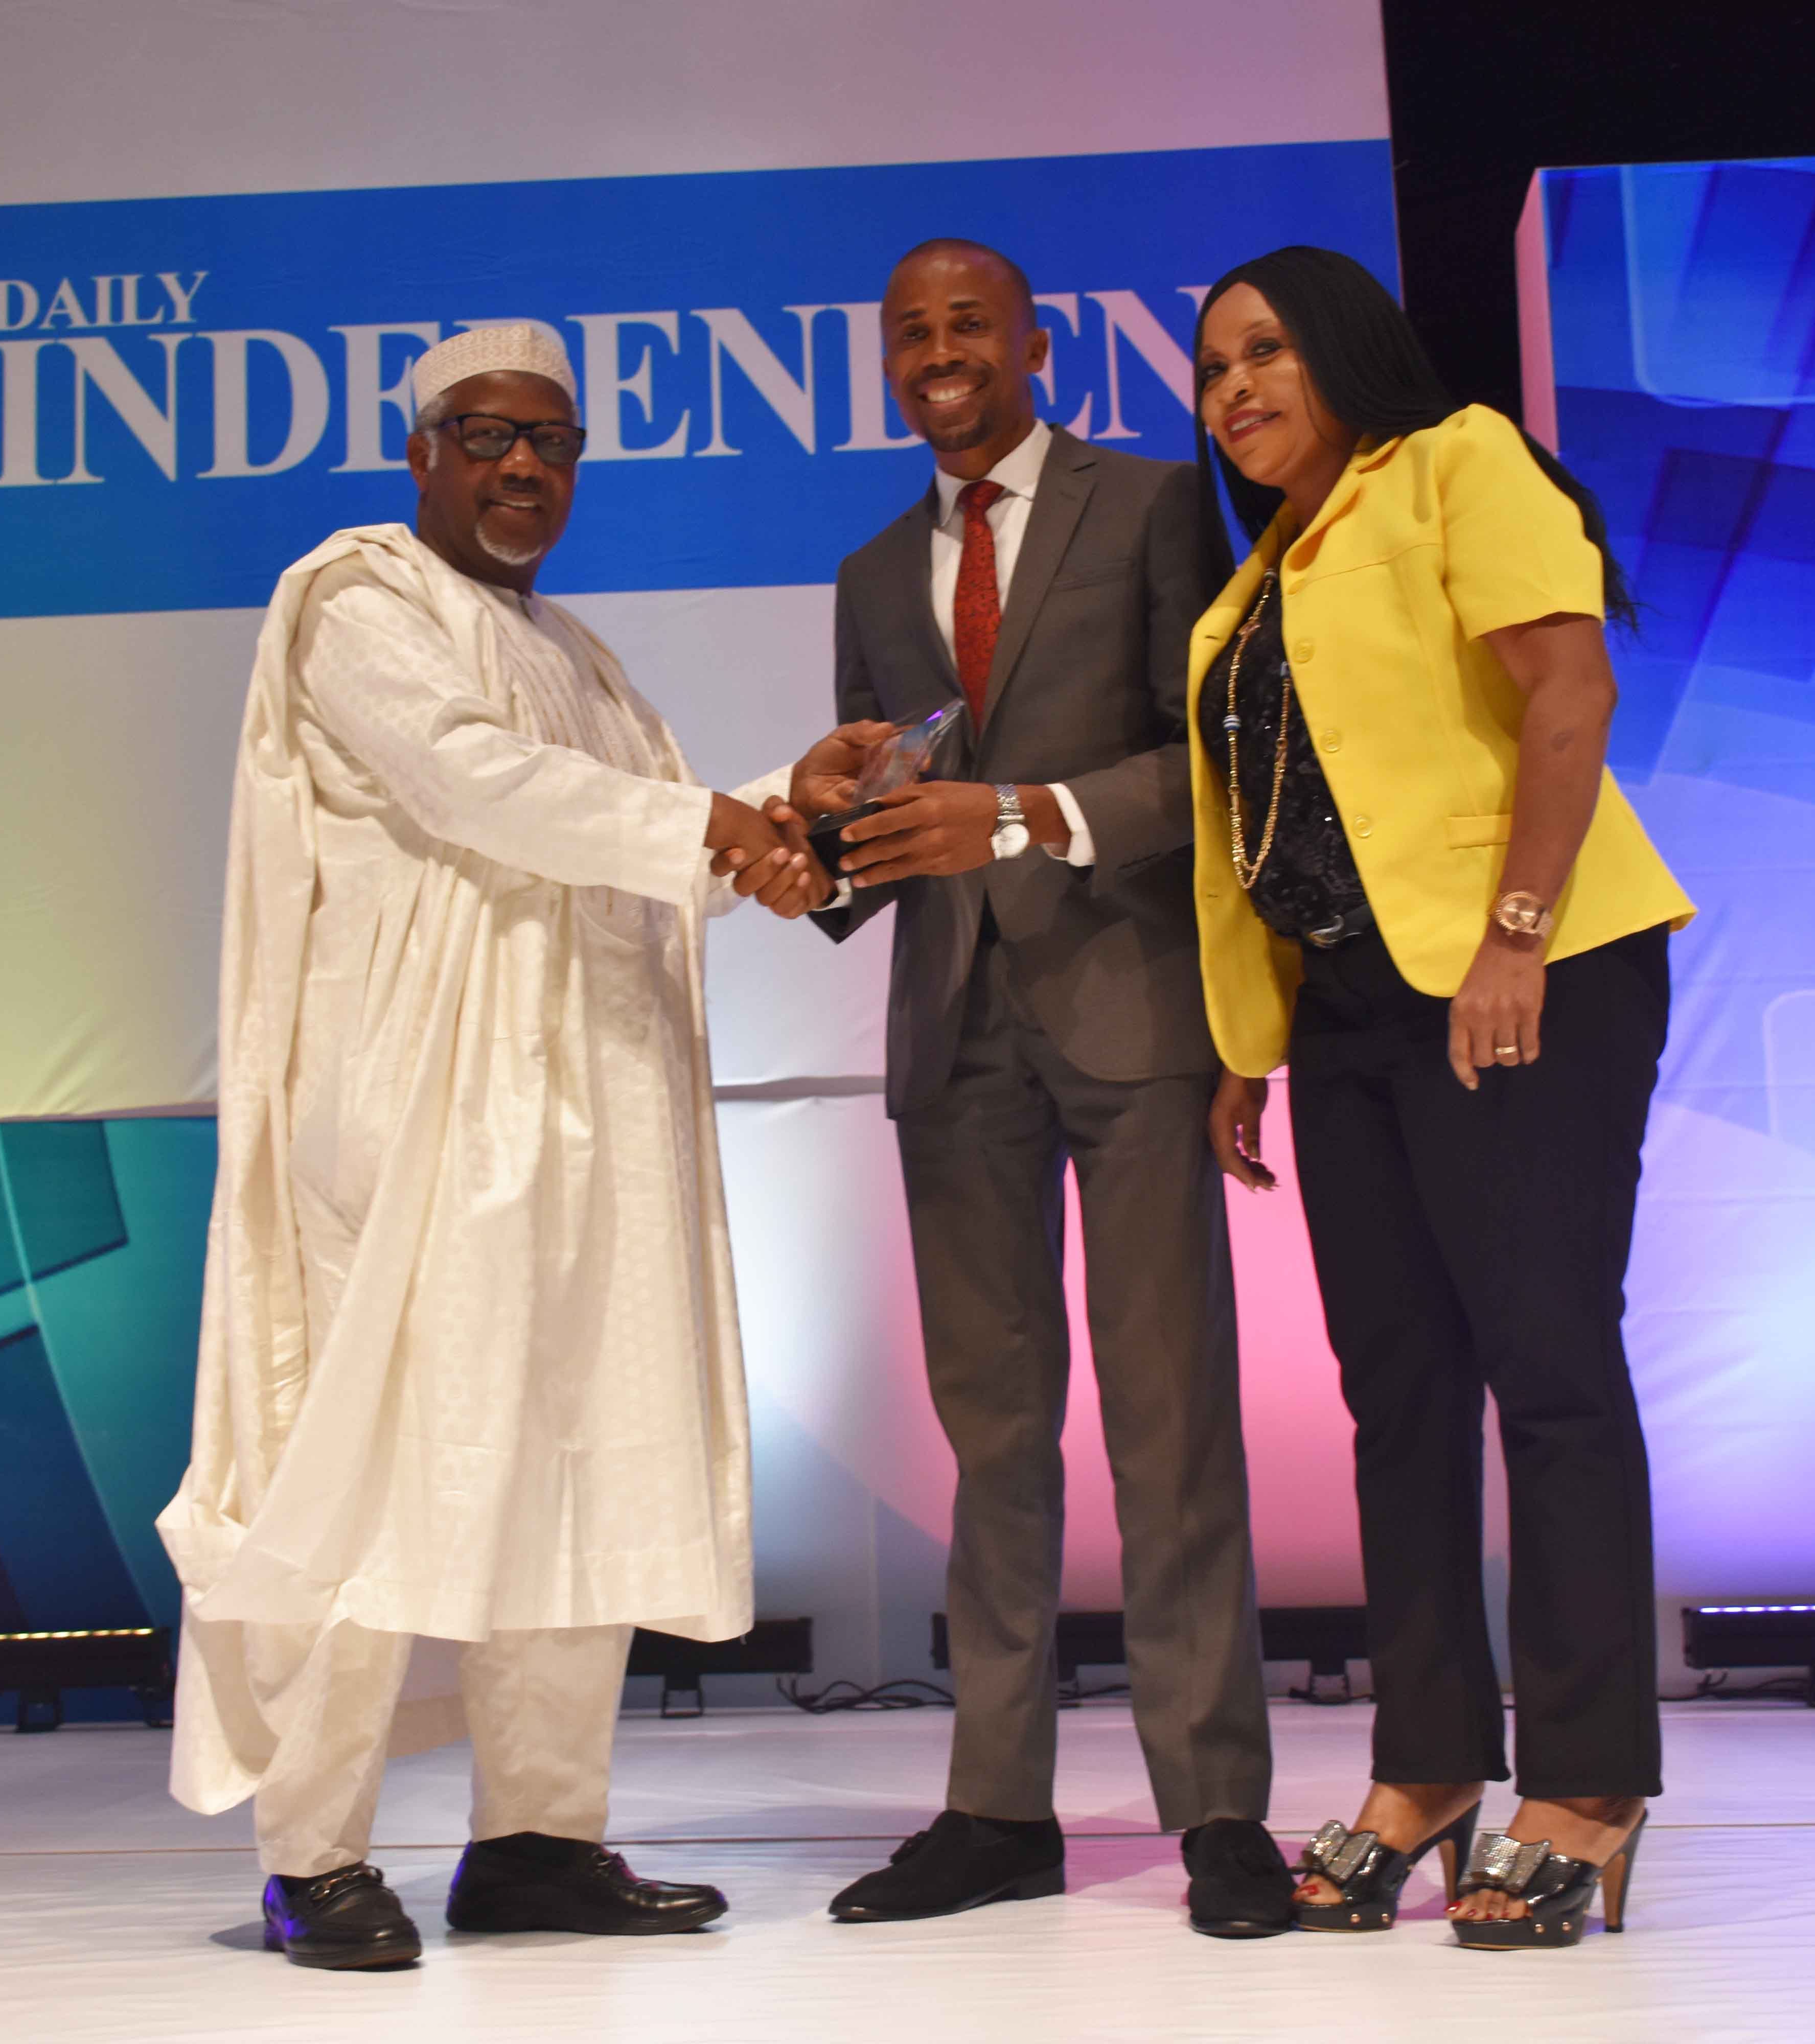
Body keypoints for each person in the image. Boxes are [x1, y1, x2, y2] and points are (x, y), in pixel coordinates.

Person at [157, 322, 828, 1971]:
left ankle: (537, 1840)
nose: (525, 467)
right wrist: (712, 826)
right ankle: (311, 1854)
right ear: (422, 454)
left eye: (553, 441)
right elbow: (476, 787)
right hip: (418, 1110)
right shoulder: (360, 596)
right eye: (488, 436)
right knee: (380, 1462)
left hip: (587, 1109)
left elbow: (626, 822)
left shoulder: (581, 658)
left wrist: (786, 796)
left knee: (572, 1444)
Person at [771, 239, 1286, 1940]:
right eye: (908, 331)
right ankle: (997, 1806)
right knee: (993, 1441)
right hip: (957, 1036)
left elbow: (1208, 749)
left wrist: (1022, 813)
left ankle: (1216, 1809)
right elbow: (875, 821)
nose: (938, 351)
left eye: (966, 325)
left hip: (1130, 1011)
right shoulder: (865, 570)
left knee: (1169, 1423)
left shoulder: (1143, 507)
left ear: (1036, 346)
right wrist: (810, 829)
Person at [1185, 248, 1694, 1950]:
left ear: (1345, 351)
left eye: (1267, 351)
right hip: (1346, 1017)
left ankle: (1588, 1785)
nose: (1237, 387)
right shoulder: (1255, 578)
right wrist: (1251, 1043)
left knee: (1546, 1368)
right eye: (1212, 369)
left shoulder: (1460, 460)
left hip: (1522, 970)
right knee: (1396, 1398)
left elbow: (1568, 690)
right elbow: (1267, 831)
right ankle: (1425, 1769)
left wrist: (1517, 942)